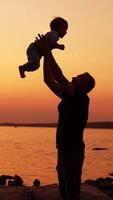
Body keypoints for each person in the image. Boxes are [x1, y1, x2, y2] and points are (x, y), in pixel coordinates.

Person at [36, 35, 95, 200]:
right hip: (63, 151)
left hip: (73, 153)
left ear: (85, 86)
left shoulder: (81, 97)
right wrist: (47, 54)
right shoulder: (68, 95)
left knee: (72, 195)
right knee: (64, 194)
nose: (75, 76)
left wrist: (47, 51)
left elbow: (59, 76)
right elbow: (48, 80)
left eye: (80, 77)